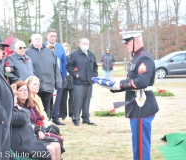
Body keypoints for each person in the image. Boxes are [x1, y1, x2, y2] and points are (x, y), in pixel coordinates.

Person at [97, 30, 159, 160]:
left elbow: (141, 82)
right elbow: (130, 83)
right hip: (135, 105)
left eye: (127, 41)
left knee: (141, 145)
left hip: (142, 105)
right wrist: (112, 85)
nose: (124, 45)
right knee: (137, 144)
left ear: (136, 40)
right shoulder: (135, 58)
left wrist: (118, 84)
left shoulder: (144, 58)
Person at [11, 81, 61, 160]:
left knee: (57, 143)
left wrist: (39, 130)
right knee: (52, 148)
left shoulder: (31, 104)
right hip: (24, 141)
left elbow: (39, 119)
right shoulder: (13, 110)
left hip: (33, 135)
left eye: (26, 90)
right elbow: (23, 120)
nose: (25, 92)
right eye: (21, 90)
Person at [26, 34, 62, 119]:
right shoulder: (27, 53)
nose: (38, 40)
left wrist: (57, 83)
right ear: (32, 41)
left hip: (49, 84)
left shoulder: (49, 52)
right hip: (34, 86)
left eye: (40, 39)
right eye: (36, 39)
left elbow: (56, 68)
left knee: (47, 107)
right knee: (35, 106)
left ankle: (47, 124)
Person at [66, 38, 98, 126]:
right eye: (84, 43)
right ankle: (76, 118)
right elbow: (69, 66)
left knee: (87, 101)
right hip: (78, 82)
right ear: (79, 44)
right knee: (77, 101)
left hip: (89, 82)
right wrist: (75, 74)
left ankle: (86, 118)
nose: (85, 45)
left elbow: (95, 66)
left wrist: (94, 75)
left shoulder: (91, 54)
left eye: (87, 43)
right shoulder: (74, 55)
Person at [45, 29, 67, 125]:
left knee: (58, 98)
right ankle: (46, 116)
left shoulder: (60, 47)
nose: (53, 38)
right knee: (47, 97)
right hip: (47, 76)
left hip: (59, 76)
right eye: (51, 36)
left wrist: (64, 75)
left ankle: (55, 116)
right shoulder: (43, 46)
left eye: (54, 36)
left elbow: (64, 61)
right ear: (47, 36)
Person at [59, 43, 74, 120]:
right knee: (63, 98)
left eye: (66, 48)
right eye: (63, 48)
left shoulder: (72, 57)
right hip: (64, 80)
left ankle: (72, 113)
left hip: (72, 79)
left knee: (72, 98)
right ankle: (63, 114)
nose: (65, 49)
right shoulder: (61, 57)